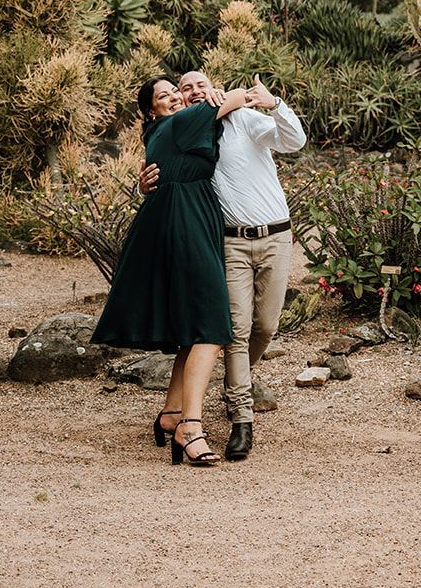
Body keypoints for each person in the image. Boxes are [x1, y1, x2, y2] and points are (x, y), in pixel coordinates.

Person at [141, 71, 306, 463]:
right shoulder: (189, 131)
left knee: (265, 328)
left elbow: (293, 140)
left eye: (201, 85)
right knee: (233, 329)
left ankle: (221, 385)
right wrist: (143, 186)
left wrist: (273, 103)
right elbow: (168, 170)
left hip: (276, 236)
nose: (193, 92)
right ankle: (240, 419)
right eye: (185, 88)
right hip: (228, 240)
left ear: (211, 87)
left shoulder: (242, 121)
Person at [93, 75, 255, 467]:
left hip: (181, 217)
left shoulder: (162, 130)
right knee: (213, 325)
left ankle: (170, 413)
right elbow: (240, 96)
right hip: (184, 222)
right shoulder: (182, 121)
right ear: (152, 110)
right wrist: (221, 94)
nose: (174, 98)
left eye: (175, 92)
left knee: (195, 325)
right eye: (164, 96)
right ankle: (190, 427)